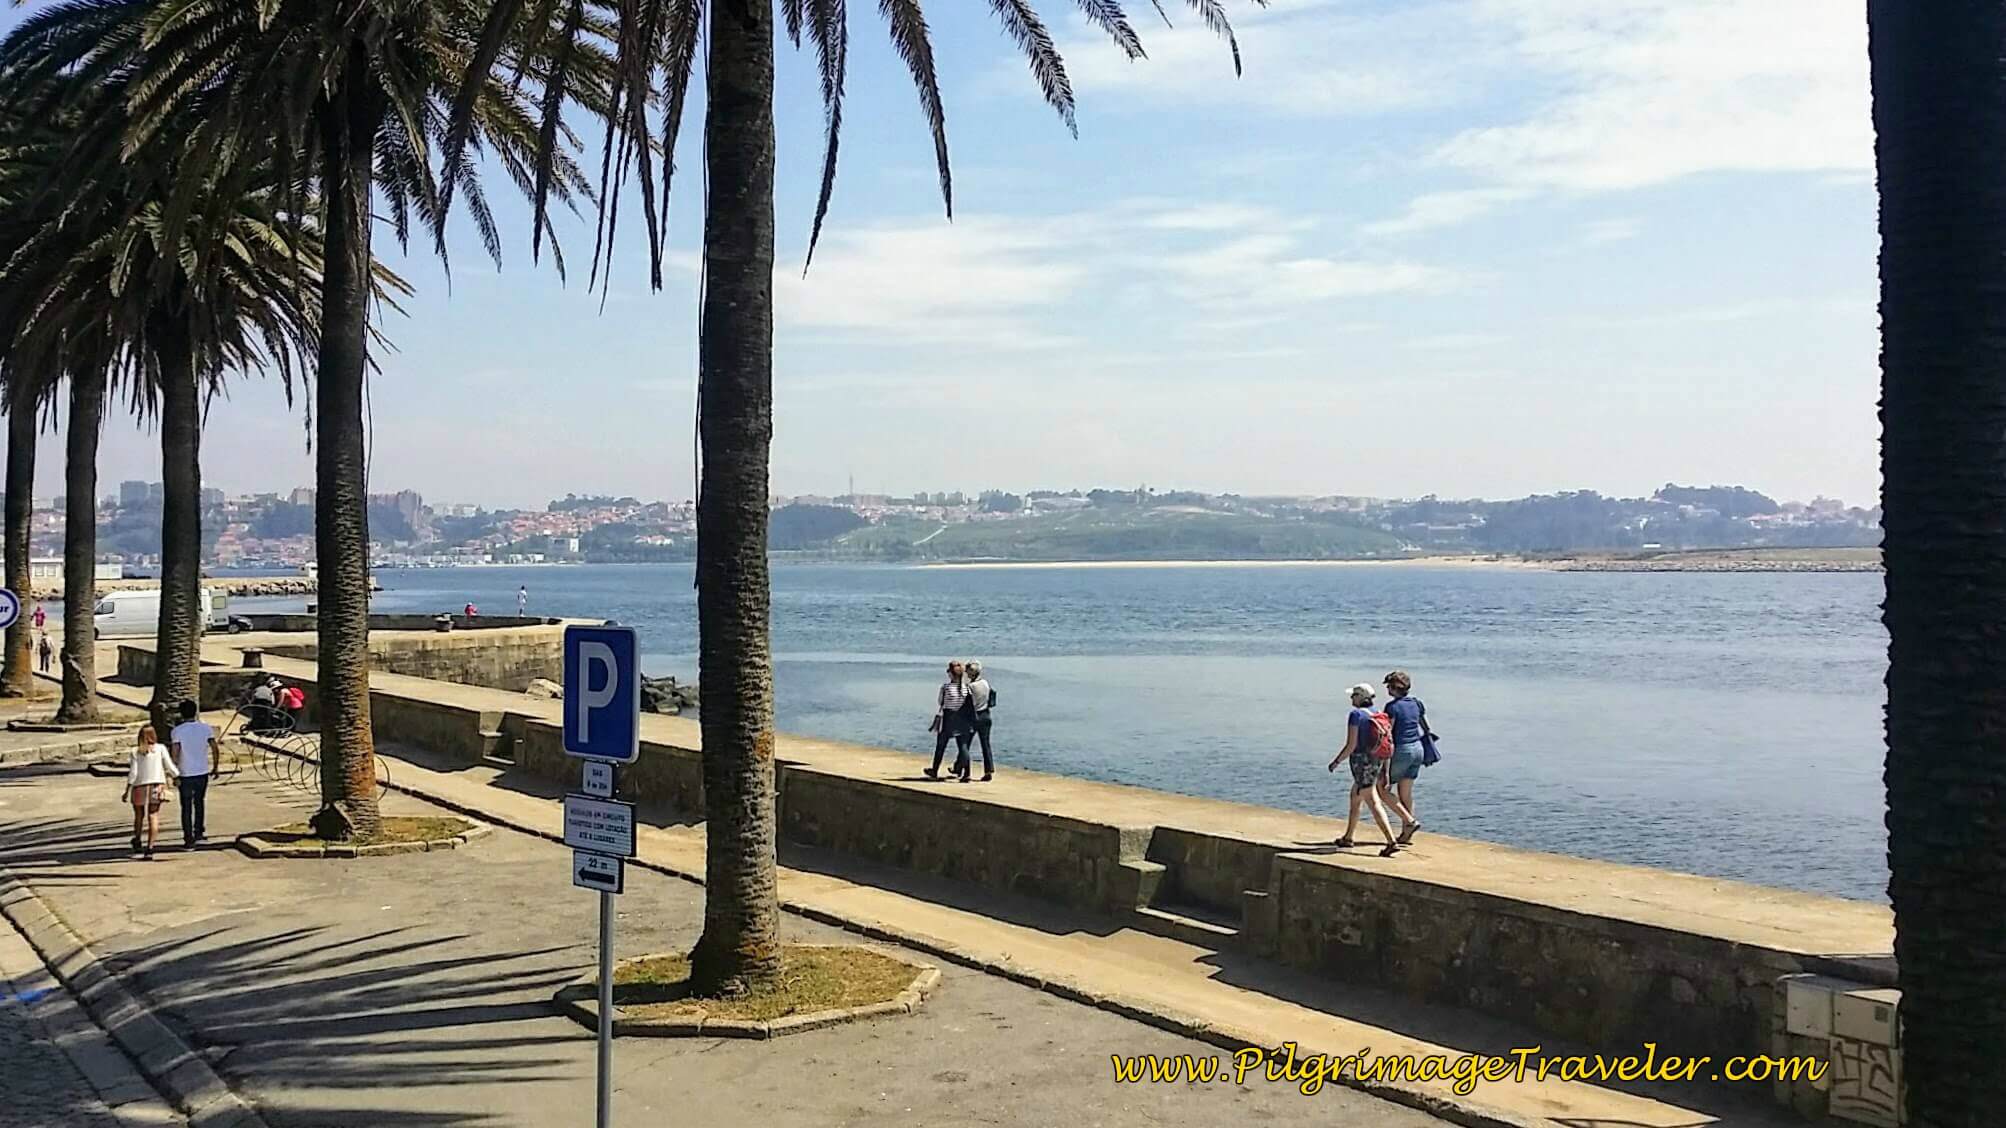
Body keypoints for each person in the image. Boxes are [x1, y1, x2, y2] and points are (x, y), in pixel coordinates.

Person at [1327, 683, 1400, 857]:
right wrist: (1386, 771)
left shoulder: (1356, 715)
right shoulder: (1378, 714)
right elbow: (1389, 743)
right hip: (1377, 760)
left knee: (1372, 800)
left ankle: (1391, 841)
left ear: (1360, 697)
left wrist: (1336, 761)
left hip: (1362, 761)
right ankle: (1348, 837)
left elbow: (1351, 745)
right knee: (1355, 796)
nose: (1351, 698)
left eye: (1353, 696)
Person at [1382, 670, 1434, 845]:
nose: (1387, 689)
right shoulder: (1417, 703)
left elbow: (1388, 733)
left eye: (1388, 686)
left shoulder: (1392, 707)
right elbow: (1426, 728)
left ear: (1393, 688)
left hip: (1401, 750)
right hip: (1417, 748)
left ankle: (1409, 821)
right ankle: (1406, 834)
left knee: (1381, 789)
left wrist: (1382, 758)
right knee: (1406, 793)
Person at [170, 700, 220, 848]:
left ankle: (188, 838)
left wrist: (174, 773)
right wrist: (215, 766)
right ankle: (199, 832)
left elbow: (175, 753)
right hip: (202, 771)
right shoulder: (206, 729)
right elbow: (215, 748)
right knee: (199, 802)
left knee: (186, 806)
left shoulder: (177, 731)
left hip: (185, 773)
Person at [123, 725, 177, 860]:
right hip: (156, 785)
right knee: (153, 815)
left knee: (139, 816)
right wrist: (177, 775)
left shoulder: (136, 751)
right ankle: (150, 848)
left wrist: (127, 789)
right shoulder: (161, 749)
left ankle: (137, 840)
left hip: (139, 786)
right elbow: (170, 766)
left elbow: (133, 773)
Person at [924, 660, 971, 781]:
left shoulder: (946, 687)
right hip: (962, 718)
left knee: (941, 745)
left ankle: (934, 770)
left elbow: (940, 702)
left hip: (948, 718)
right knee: (963, 746)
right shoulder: (966, 688)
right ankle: (967, 772)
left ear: (951, 673)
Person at [958, 660, 999, 782]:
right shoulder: (985, 683)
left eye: (967, 671)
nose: (966, 673)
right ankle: (988, 770)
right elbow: (992, 695)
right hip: (986, 715)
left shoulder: (970, 687)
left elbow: (965, 703)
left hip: (973, 717)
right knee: (985, 744)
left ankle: (966, 772)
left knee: (965, 744)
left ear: (971, 673)